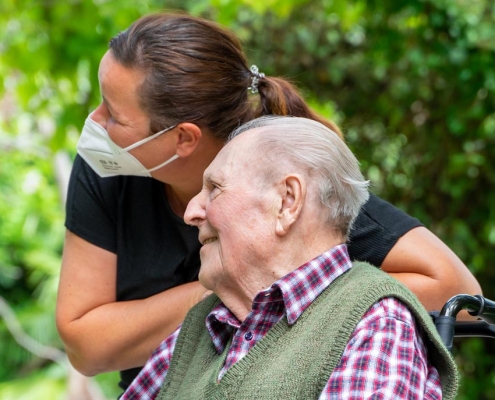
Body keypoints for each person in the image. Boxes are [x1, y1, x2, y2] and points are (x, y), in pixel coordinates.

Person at [55, 11, 480, 392]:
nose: (95, 123)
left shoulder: (294, 183)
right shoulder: (109, 174)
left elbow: (459, 297)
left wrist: (302, 302)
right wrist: (226, 286)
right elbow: (87, 344)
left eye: (112, 113)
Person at [121, 116, 458, 399]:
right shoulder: (203, 326)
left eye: (215, 188)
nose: (192, 211)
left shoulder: (376, 324)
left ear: (287, 201)